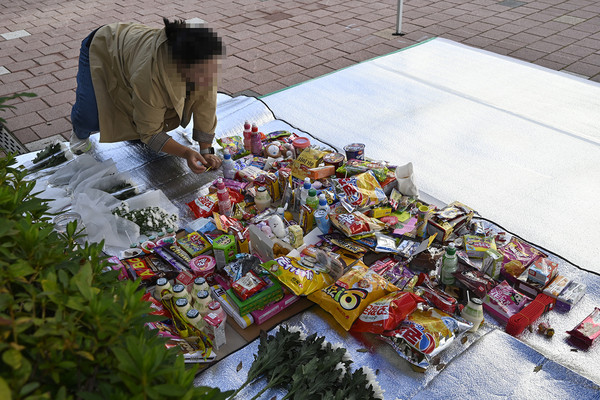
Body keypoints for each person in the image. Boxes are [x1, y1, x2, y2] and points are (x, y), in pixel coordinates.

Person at [70, 18, 224, 173]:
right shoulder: (150, 76)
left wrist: (206, 151)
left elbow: (206, 106)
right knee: (89, 116)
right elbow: (150, 133)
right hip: (102, 46)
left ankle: (136, 124)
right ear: (181, 66)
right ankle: (79, 134)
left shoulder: (203, 63)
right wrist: (185, 152)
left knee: (142, 112)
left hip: (130, 54)